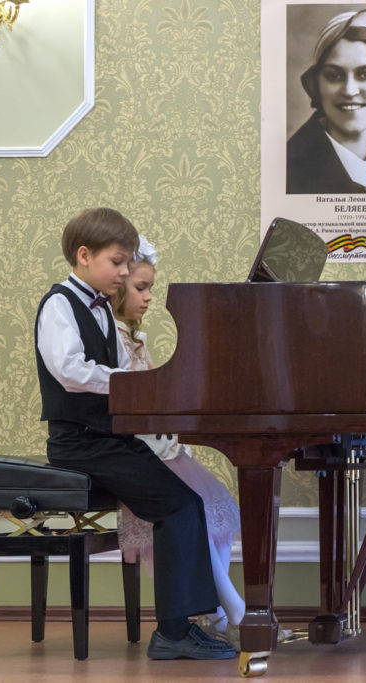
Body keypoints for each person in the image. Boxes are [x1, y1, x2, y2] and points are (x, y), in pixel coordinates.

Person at [34, 207, 235, 660]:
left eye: (128, 264)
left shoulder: (104, 312)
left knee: (187, 502)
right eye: (118, 262)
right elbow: (69, 371)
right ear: (84, 255)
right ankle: (173, 634)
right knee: (178, 505)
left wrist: (165, 393)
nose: (125, 272)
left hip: (108, 440)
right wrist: (134, 384)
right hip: (80, 443)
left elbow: (128, 376)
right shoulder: (60, 304)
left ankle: (183, 626)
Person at [110, 236, 246, 644]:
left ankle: (217, 613)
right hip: (142, 452)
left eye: (150, 287)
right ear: (117, 288)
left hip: (162, 446)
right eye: (141, 288)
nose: (149, 297)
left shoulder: (134, 338)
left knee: (215, 507)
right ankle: (233, 613)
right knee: (197, 512)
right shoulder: (112, 338)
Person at [286, 8, 366, 194]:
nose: (349, 91)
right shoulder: (290, 171)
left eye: (365, 74)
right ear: (317, 84)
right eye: (334, 76)